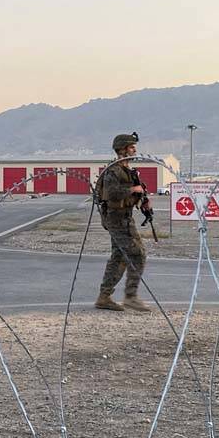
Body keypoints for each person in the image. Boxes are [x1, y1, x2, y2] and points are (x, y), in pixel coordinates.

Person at [95, 132, 151, 312]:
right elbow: (112, 193)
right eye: (131, 147)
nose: (135, 150)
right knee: (138, 254)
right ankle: (131, 296)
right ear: (123, 149)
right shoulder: (114, 170)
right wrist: (133, 188)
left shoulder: (127, 170)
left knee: (119, 257)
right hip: (117, 218)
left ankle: (104, 297)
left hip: (124, 216)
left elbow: (134, 192)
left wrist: (143, 199)